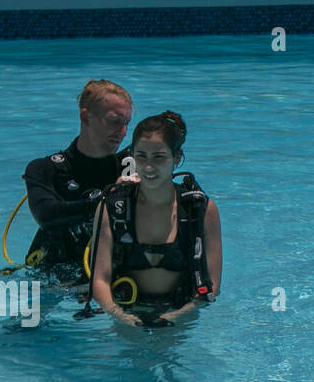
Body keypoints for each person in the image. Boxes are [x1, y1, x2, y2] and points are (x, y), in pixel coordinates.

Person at [89, 112, 222, 327]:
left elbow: (212, 285)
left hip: (181, 312)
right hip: (123, 309)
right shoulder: (112, 208)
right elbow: (99, 280)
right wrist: (119, 316)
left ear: (176, 158)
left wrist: (175, 317)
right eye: (141, 156)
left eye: (159, 157)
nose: (148, 166)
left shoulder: (201, 210)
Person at [21, 80, 134, 280]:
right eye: (115, 121)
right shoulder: (46, 169)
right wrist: (108, 199)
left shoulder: (129, 165)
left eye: (127, 123)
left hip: (110, 275)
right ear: (85, 117)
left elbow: (163, 141)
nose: (123, 132)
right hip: (53, 276)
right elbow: (46, 215)